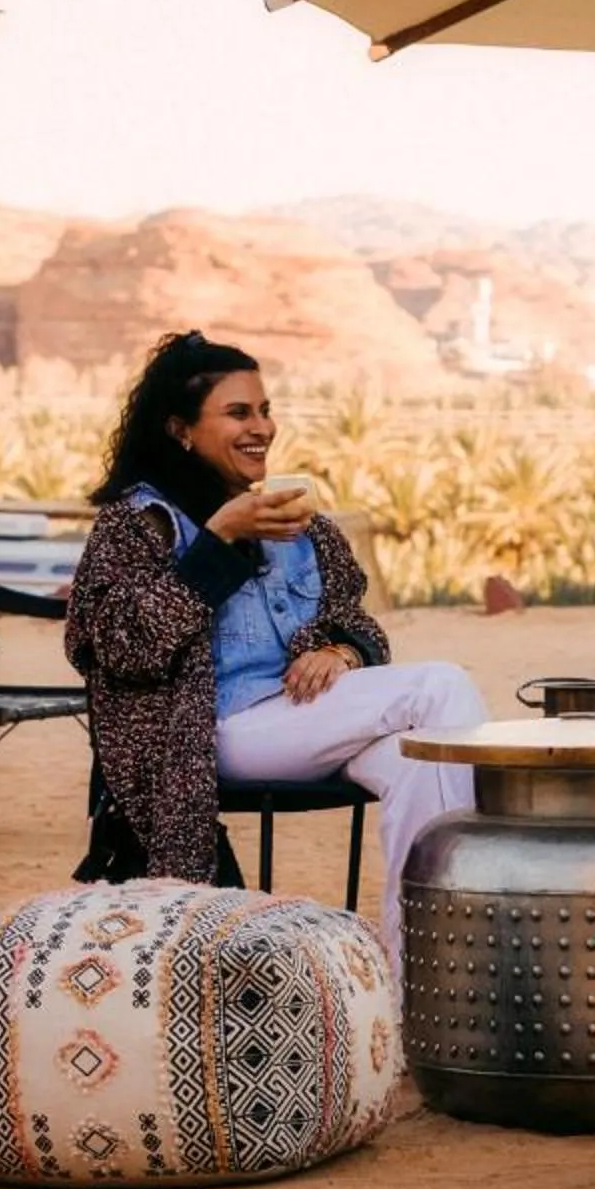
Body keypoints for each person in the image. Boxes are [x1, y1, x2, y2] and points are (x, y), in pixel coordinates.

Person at [64, 331, 483, 959]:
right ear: (182, 430)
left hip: (300, 720)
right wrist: (216, 543)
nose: (261, 427)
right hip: (207, 736)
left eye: (264, 410)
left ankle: (420, 971)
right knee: (440, 685)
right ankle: (479, 933)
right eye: (238, 413)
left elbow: (356, 622)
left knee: (415, 761)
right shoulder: (139, 522)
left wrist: (341, 652)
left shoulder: (297, 524)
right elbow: (120, 648)